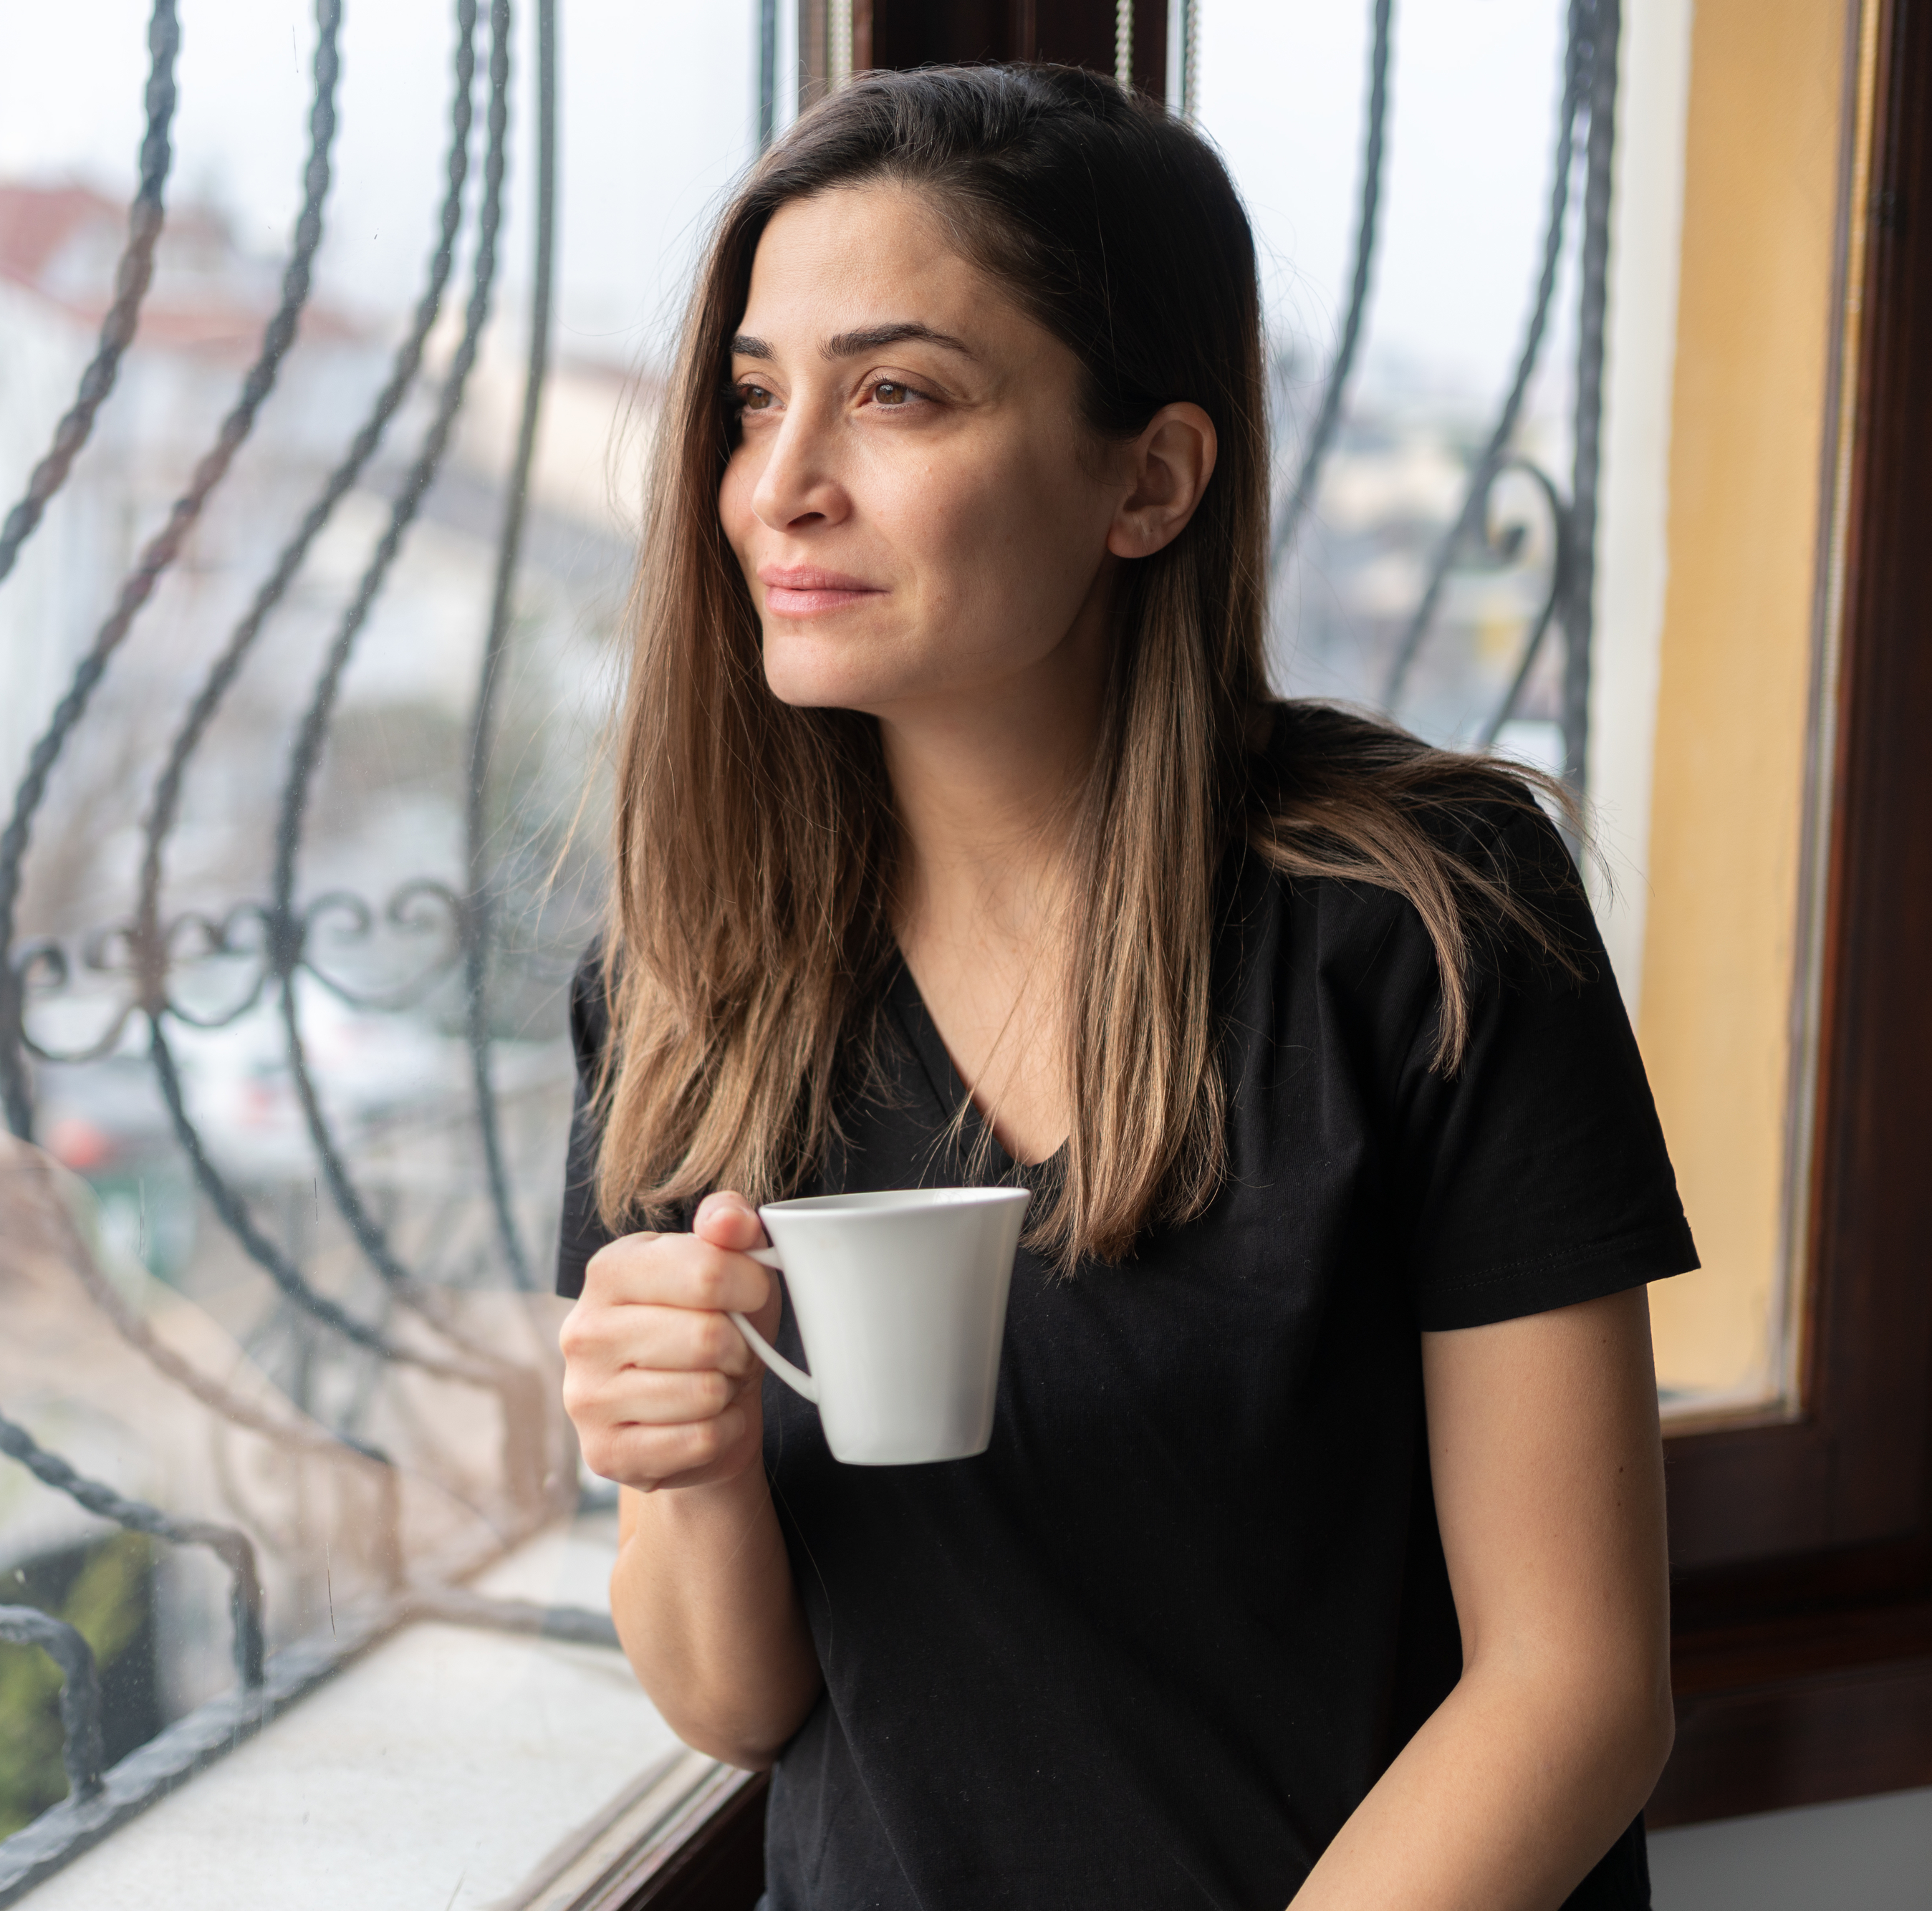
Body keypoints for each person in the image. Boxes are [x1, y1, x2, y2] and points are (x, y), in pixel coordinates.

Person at [553, 64, 1691, 1911]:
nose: (780, 485)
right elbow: (740, 1703)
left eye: (897, 392)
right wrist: (683, 1472)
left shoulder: (1428, 922)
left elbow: (1577, 1689)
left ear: (1145, 480)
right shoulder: (689, 984)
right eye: (755, 399)